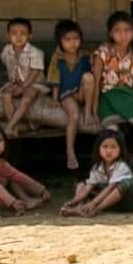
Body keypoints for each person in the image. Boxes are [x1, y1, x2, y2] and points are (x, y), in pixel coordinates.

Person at [93, 11, 133, 159]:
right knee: (112, 136)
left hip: (127, 99)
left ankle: (132, 159)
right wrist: (93, 108)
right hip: (107, 98)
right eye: (117, 31)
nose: (123, 35)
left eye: (127, 30)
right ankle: (117, 166)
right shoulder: (103, 52)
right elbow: (95, 81)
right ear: (110, 33)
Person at [47, 19, 96, 170]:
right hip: (66, 95)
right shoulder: (57, 57)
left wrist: (95, 58)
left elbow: (93, 72)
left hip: (81, 93)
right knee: (73, 115)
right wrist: (55, 99)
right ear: (60, 41)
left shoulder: (84, 55)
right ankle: (70, 150)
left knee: (88, 77)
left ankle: (87, 111)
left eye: (75, 39)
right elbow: (54, 79)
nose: (72, 43)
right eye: (67, 40)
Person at [62, 129, 133, 216]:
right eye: (105, 146)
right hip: (105, 201)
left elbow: (110, 188)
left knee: (125, 183)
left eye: (113, 147)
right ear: (98, 148)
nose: (109, 151)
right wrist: (73, 201)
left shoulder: (122, 166)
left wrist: (93, 203)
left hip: (126, 203)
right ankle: (79, 208)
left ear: (120, 149)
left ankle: (96, 210)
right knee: (81, 185)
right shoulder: (97, 167)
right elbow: (88, 188)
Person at [0, 17, 45, 134]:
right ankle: (13, 126)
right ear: (8, 35)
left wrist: (23, 87)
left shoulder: (35, 52)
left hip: (34, 84)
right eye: (14, 33)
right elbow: (5, 61)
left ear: (30, 35)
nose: (18, 37)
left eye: (23, 33)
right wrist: (16, 85)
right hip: (15, 83)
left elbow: (34, 73)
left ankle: (9, 126)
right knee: (5, 94)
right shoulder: (7, 50)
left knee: (26, 98)